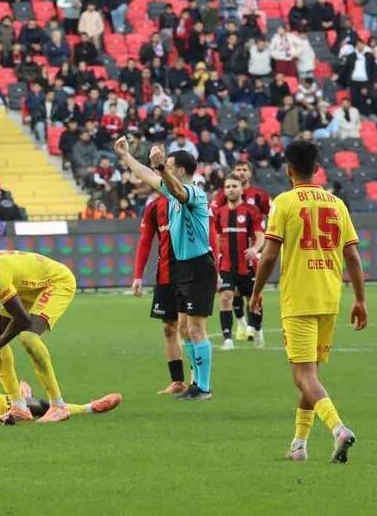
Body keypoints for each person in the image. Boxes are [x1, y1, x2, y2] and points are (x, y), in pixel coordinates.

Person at [252, 140, 367, 463]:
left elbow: (269, 254)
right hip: (330, 298)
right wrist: (360, 299)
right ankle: (299, 446)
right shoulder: (336, 203)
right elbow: (353, 256)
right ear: (317, 169)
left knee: (303, 376)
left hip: (299, 299)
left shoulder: (284, 203)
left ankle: (338, 429)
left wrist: (256, 290)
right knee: (310, 374)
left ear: (289, 171)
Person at [114, 136, 217, 401]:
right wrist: (126, 157)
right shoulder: (169, 191)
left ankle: (203, 387)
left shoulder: (194, 192)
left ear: (180, 171)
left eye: (169, 166)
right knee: (184, 329)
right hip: (182, 268)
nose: (164, 170)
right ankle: (195, 385)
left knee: (195, 329)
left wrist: (161, 169)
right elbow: (147, 175)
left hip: (199, 267)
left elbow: (179, 192)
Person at [0, 249, 78, 422]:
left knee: (28, 337)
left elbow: (22, 320)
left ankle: (58, 405)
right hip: (28, 288)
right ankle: (18, 405)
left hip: (56, 283)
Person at [132, 190, 189, 395]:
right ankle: (178, 381)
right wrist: (138, 276)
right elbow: (146, 240)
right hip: (165, 275)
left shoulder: (190, 199)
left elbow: (209, 233)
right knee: (169, 328)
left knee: (188, 328)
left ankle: (198, 381)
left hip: (190, 273)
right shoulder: (154, 207)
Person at [212, 174, 265, 350]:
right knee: (225, 297)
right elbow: (218, 237)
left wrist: (255, 250)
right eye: (227, 187)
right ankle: (228, 339)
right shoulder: (219, 213)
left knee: (254, 300)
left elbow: (260, 236)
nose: (231, 190)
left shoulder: (252, 211)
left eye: (234, 186)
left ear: (241, 189)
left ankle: (257, 329)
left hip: (248, 265)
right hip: (227, 265)